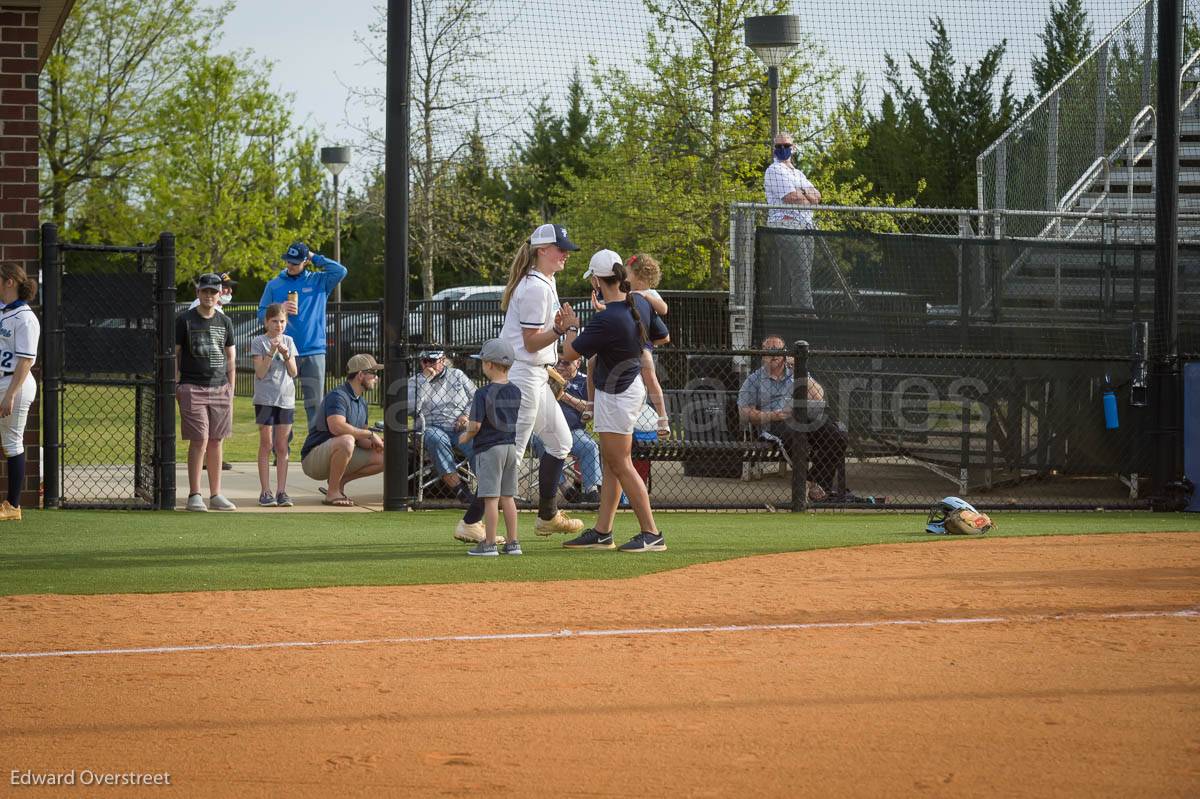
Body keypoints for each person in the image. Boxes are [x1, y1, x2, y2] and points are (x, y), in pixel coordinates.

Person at [455, 223, 585, 544]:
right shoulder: (535, 287)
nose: (565, 254)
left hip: (535, 375)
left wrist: (560, 338)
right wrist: (559, 332)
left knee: (560, 442)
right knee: (509, 454)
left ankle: (547, 515)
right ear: (542, 250)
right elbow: (529, 344)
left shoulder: (544, 281)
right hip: (523, 377)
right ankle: (471, 523)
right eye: (560, 248)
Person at [557, 249, 670, 553]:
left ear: (597, 280)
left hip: (618, 393)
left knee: (620, 462)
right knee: (611, 463)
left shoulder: (609, 317)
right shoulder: (637, 304)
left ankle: (652, 533)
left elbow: (569, 353)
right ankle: (603, 532)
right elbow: (662, 336)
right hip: (621, 388)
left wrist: (570, 326)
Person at [737, 334, 848, 501]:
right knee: (793, 436)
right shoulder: (753, 380)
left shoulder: (796, 373)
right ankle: (816, 487)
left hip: (804, 417)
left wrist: (799, 368)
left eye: (779, 351)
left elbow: (819, 397)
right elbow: (744, 412)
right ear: (762, 355)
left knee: (836, 435)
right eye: (769, 351)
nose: (774, 354)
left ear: (785, 353)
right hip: (776, 422)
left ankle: (814, 480)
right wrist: (772, 415)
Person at [257, 242, 348, 434]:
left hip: (314, 350)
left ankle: (315, 448)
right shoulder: (274, 284)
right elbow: (261, 314)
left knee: (315, 404)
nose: (290, 265)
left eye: (296, 262)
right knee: (280, 401)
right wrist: (279, 308)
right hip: (283, 351)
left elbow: (340, 271)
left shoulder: (319, 281)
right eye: (288, 261)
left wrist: (315, 257)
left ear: (306, 262)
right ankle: (280, 451)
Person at [592, 253, 671, 439]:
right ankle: (591, 404)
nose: (624, 275)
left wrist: (645, 296)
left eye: (628, 272)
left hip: (643, 346)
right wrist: (602, 308)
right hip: (630, 344)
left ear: (639, 275)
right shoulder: (626, 293)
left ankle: (662, 417)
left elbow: (664, 309)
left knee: (650, 376)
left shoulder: (647, 294)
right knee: (593, 363)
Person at [176, 273, 237, 512]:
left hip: (220, 386)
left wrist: (230, 388)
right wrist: (177, 383)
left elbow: (230, 357)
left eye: (214, 291)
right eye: (206, 291)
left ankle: (216, 494)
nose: (209, 295)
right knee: (199, 439)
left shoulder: (225, 322)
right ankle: (194, 494)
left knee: (216, 440)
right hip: (192, 385)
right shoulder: (184, 320)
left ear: (220, 293)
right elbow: (175, 354)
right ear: (198, 292)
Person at [460, 339, 523, 557]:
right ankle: (513, 542)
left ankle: (489, 543)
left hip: (490, 449)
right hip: (510, 447)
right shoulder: (516, 391)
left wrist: (465, 436)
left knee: (491, 498)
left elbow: (475, 425)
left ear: (489, 364)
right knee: (508, 497)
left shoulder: (482, 393)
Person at [300, 354, 385, 506]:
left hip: (339, 451)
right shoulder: (338, 396)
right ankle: (332, 494)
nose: (377, 378)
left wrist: (380, 443)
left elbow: (361, 439)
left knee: (384, 458)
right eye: (373, 373)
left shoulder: (362, 402)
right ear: (360, 375)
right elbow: (337, 427)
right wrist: (371, 434)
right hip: (313, 460)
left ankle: (338, 483)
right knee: (347, 440)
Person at [407, 349, 476, 505]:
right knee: (436, 438)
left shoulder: (457, 375)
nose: (428, 365)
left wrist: (465, 415)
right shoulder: (415, 381)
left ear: (443, 360)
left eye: (433, 361)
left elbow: (476, 397)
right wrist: (425, 381)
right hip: (430, 426)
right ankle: (460, 489)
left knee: (476, 440)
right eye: (425, 361)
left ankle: (485, 489)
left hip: (459, 425)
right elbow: (412, 410)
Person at [531, 355, 601, 503]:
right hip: (545, 430)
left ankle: (592, 492)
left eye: (566, 362)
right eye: (558, 362)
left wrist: (562, 395)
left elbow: (589, 408)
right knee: (540, 441)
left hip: (574, 431)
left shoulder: (585, 382)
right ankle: (566, 488)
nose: (561, 366)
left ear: (578, 363)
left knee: (590, 446)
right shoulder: (544, 378)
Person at [763, 131, 821, 313]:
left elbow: (817, 196)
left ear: (793, 148)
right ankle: (805, 312)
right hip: (786, 224)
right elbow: (791, 197)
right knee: (800, 271)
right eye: (779, 146)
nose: (782, 149)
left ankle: (801, 310)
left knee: (804, 272)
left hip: (805, 226)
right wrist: (804, 194)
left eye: (786, 146)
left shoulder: (798, 173)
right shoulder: (774, 170)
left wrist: (802, 193)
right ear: (774, 149)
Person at [0, 263, 39, 522]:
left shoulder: (25, 317)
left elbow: (25, 360)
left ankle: (13, 506)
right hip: (3, 382)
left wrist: (10, 395)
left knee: (12, 443)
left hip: (15, 384)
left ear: (10, 281)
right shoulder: (4, 311)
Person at [252, 303, 298, 507]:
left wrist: (286, 354)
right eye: (274, 321)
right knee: (266, 444)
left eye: (282, 321)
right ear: (266, 322)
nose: (279, 325)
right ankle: (265, 491)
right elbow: (260, 373)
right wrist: (271, 351)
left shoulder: (289, 340)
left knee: (282, 445)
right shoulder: (258, 342)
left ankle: (282, 491)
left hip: (286, 400)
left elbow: (294, 372)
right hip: (265, 400)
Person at [192, 272, 236, 470]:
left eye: (227, 288)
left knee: (216, 430)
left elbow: (229, 354)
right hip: (200, 379)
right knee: (202, 432)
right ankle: (205, 459)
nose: (228, 291)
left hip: (218, 380)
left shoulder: (221, 315)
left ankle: (213, 457)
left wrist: (230, 384)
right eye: (224, 287)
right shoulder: (198, 310)